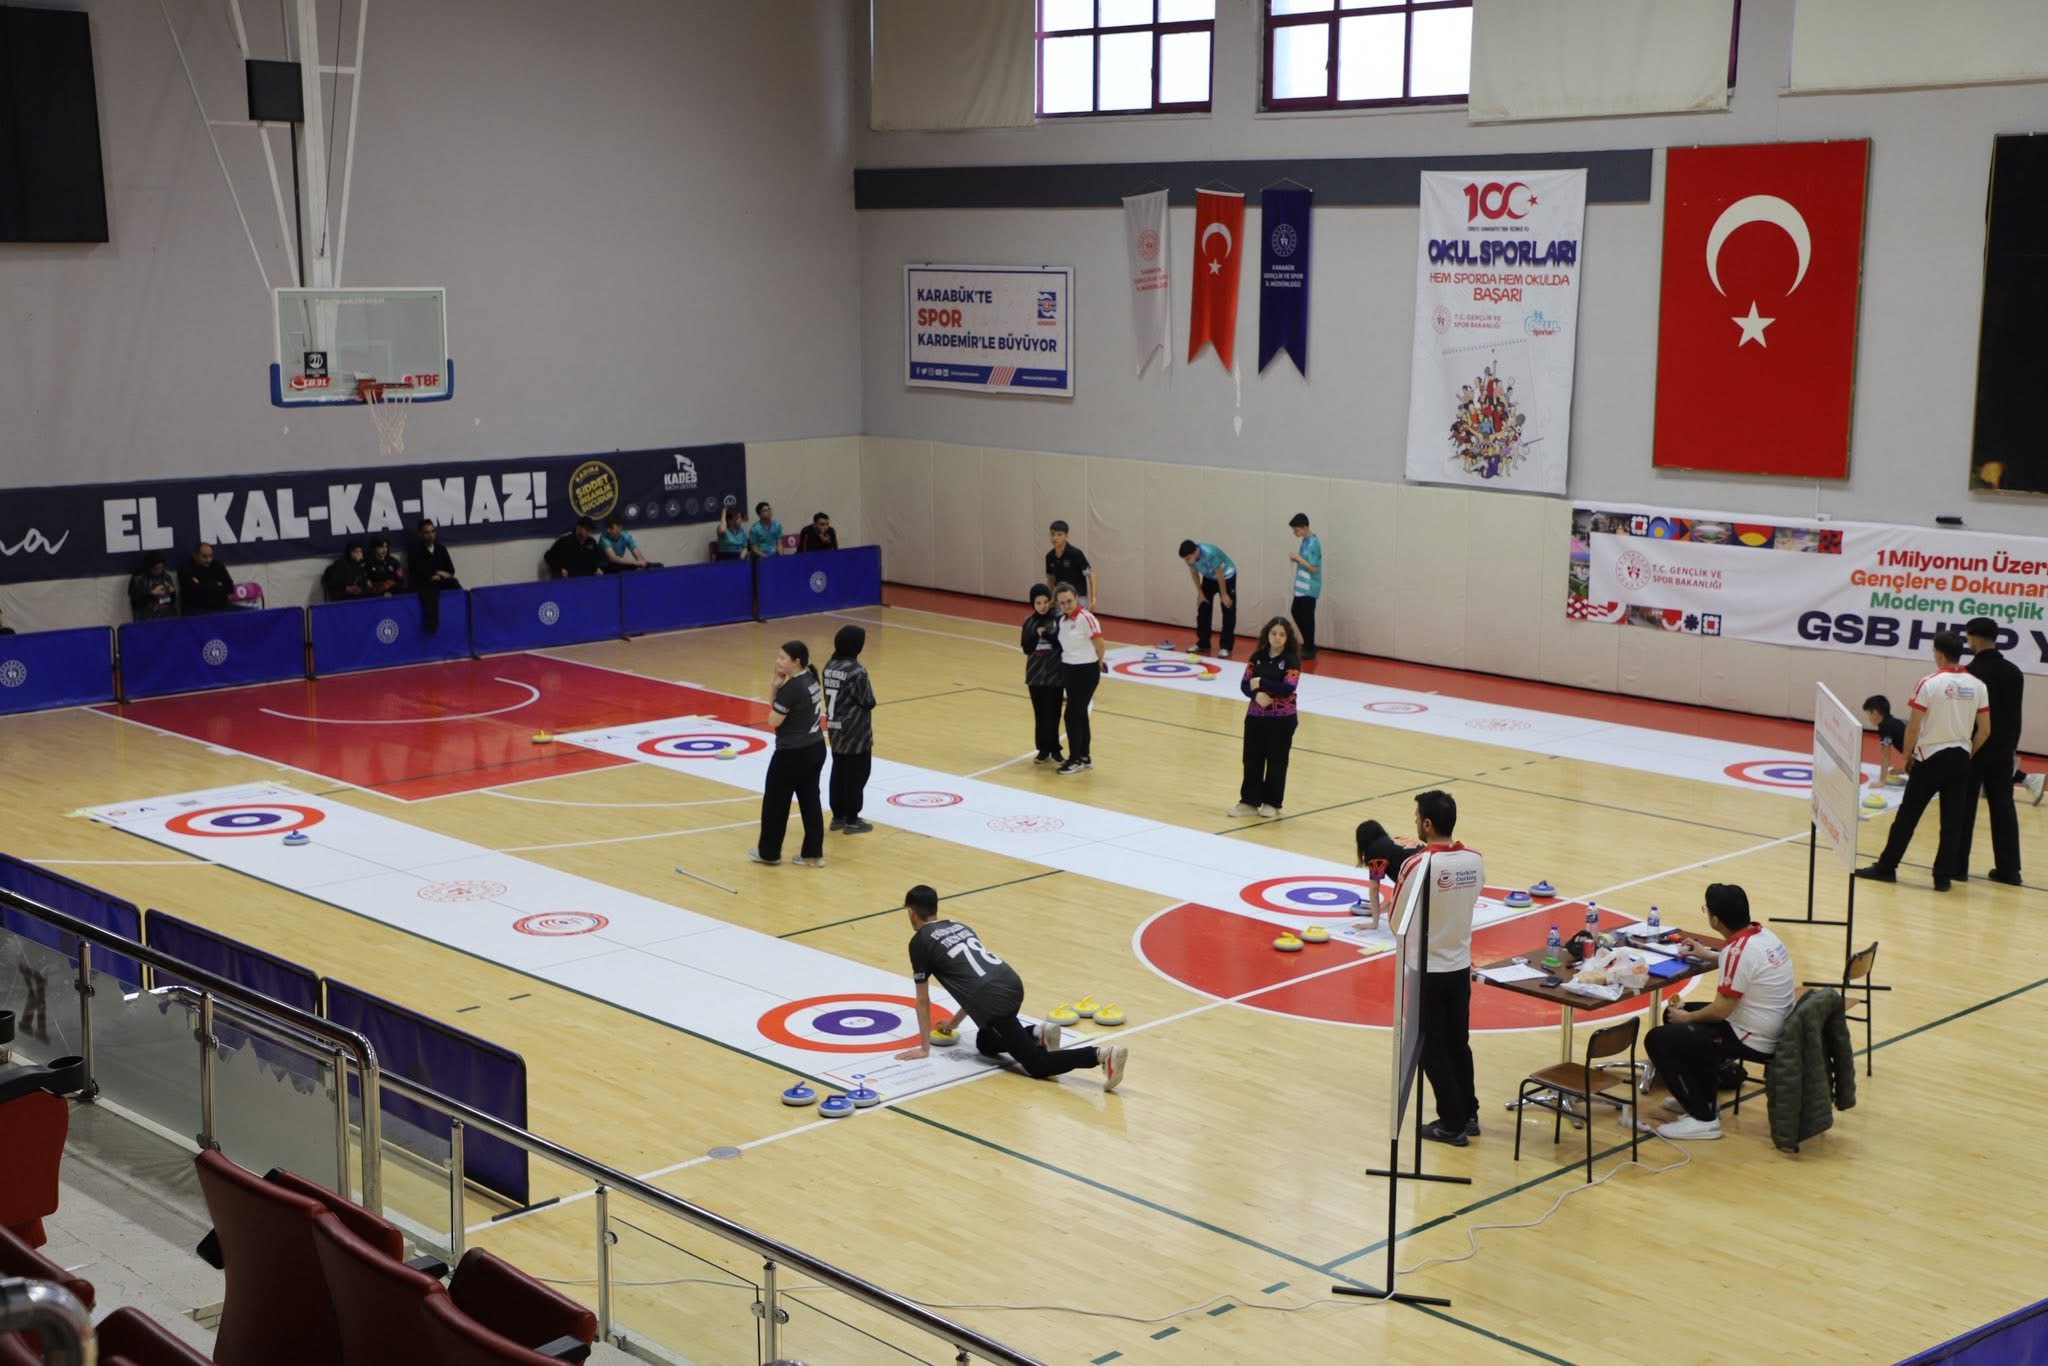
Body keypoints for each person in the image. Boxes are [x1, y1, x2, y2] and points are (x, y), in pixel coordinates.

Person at [892, 884, 1128, 1091]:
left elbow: (922, 1000)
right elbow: (971, 978)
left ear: (911, 911)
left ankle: (1100, 1055)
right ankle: (1038, 1033)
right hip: (1010, 981)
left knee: (1037, 1065)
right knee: (985, 1042)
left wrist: (924, 1048)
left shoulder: (920, 942)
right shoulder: (958, 925)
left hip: (992, 998)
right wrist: (954, 1023)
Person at [1642, 883, 1794, 1142]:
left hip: (1754, 1037)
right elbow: (1741, 961)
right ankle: (1699, 1097)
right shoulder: (1762, 936)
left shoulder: (1739, 952)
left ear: (1715, 919)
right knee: (1678, 1017)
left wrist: (1687, 1019)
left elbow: (1720, 1011)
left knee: (1659, 1038)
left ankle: (1703, 1118)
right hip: (1774, 1024)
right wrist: (1708, 955)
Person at [1856, 631, 1988, 892]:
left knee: (1907, 816)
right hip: (1961, 757)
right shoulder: (1978, 685)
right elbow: (1984, 730)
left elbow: (1913, 728)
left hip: (1930, 758)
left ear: (1938, 653)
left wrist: (1907, 756)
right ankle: (1942, 878)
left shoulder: (1928, 683)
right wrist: (1966, 753)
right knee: (1952, 821)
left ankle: (1886, 867)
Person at [1399, 790, 1483, 1146]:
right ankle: (1468, 1111)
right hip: (1459, 965)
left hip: (1427, 969)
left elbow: (1397, 921)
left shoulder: (1417, 865)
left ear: (1428, 824)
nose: (1415, 822)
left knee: (1430, 1048)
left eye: (1417, 816)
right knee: (1457, 1042)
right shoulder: (1475, 860)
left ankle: (1451, 1122)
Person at [749, 640, 827, 867]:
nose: (778, 661)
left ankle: (769, 853)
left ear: (796, 661)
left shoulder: (793, 688)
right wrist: (775, 686)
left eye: (783, 658)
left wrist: (777, 689)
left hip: (792, 754)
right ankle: (813, 855)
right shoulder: (811, 678)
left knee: (775, 803)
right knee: (810, 800)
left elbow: (773, 720)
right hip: (815, 748)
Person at [1961, 618, 2025, 885]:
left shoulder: (1970, 673)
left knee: (1964, 806)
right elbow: (2013, 715)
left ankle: (1955, 866)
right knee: (2002, 804)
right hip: (2004, 747)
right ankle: (2010, 870)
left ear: (1975, 639)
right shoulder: (2014, 671)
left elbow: (1968, 716)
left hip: (1976, 745)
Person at [1231, 617, 1301, 818]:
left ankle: (1272, 802)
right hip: (1255, 716)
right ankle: (1249, 802)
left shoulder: (1291, 660)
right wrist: (1256, 695)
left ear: (1287, 638)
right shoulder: (1258, 657)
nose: (1277, 638)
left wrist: (1262, 682)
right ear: (1267, 635)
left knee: (1277, 760)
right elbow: (1245, 684)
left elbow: (1288, 687)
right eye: (1273, 633)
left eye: (1281, 634)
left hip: (1282, 719)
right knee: (1251, 758)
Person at [822, 624, 877, 834]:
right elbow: (868, 701)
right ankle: (853, 819)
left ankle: (838, 816)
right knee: (858, 774)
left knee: (839, 770)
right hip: (856, 731)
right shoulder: (857, 671)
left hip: (835, 728)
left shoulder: (828, 666)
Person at [1054, 582, 1105, 775]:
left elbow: (1100, 644)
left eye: (1069, 601)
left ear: (1076, 598)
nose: (1066, 605)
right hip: (1069, 670)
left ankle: (1075, 758)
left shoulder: (1086, 618)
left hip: (1087, 672)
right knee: (1081, 714)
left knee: (1071, 715)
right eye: (1062, 603)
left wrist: (1099, 662)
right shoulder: (1062, 621)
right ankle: (1084, 757)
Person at [1021, 584, 1065, 765]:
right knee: (1039, 714)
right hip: (1035, 676)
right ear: (1033, 604)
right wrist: (1036, 635)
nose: (1042, 606)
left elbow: (1061, 643)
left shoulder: (1058, 618)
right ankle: (1042, 750)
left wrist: (1046, 633)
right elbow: (1026, 648)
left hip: (1055, 675)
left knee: (1054, 714)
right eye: (1038, 602)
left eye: (1045, 602)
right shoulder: (1029, 622)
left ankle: (1055, 749)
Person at [1178, 538, 1238, 657]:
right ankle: (1203, 643)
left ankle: (1226, 646)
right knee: (1203, 606)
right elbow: (1194, 573)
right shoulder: (1190, 559)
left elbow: (1220, 573)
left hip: (1226, 576)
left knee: (1228, 608)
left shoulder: (1210, 553)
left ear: (1195, 552)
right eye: (1185, 559)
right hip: (1209, 577)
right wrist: (1200, 593)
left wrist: (1224, 594)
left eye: (1188, 558)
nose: (1187, 561)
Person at [408, 519, 463, 632]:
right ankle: (431, 626)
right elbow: (415, 572)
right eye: (427, 532)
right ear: (421, 534)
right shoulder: (414, 551)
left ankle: (461, 615)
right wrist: (437, 573)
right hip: (425, 584)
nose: (431, 535)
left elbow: (451, 571)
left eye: (433, 531)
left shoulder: (441, 549)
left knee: (454, 582)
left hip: (441, 582)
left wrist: (438, 574)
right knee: (428, 591)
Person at [1286, 513, 1323, 659]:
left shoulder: (1313, 543)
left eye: (1296, 530)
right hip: (1301, 586)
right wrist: (1298, 560)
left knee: (1307, 617)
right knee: (1296, 611)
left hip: (1309, 586)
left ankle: (1309, 647)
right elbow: (1306, 562)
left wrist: (1299, 558)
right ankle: (1309, 643)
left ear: (1304, 527)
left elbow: (1314, 568)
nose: (1295, 533)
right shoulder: (1305, 541)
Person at [1045, 520, 1096, 606]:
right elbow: (1051, 579)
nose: (1055, 538)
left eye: (1059, 534)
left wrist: (1093, 598)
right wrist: (1049, 598)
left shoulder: (1075, 554)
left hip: (1078, 598)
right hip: (1060, 598)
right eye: (1052, 534)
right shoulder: (1049, 556)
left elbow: (1092, 575)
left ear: (1066, 536)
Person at [1862, 694, 1907, 785]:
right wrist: (1904, 769)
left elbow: (1885, 756)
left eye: (1868, 715)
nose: (1868, 719)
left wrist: (1882, 781)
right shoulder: (1894, 721)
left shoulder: (1884, 727)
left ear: (1875, 713)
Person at [178, 543, 234, 614]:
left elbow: (230, 587)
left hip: (221, 607)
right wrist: (217, 585)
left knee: (248, 612)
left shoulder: (217, 565)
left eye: (211, 556)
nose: (208, 560)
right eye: (204, 557)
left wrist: (202, 584)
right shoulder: (185, 568)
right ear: (195, 556)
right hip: (197, 610)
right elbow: (194, 591)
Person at [128, 553, 177, 620]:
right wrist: (151, 594)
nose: (159, 571)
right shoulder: (138, 579)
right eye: (156, 569)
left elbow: (171, 600)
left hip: (165, 617)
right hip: (145, 619)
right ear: (149, 567)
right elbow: (136, 603)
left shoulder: (165, 576)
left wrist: (172, 593)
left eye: (161, 568)